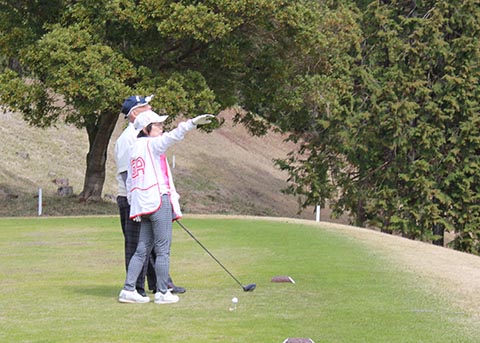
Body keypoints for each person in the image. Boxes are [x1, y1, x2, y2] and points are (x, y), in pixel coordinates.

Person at [118, 109, 213, 304]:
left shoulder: (134, 148)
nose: (162, 128)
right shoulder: (152, 145)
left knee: (142, 248)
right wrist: (192, 122)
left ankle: (128, 289)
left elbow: (130, 182)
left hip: (143, 205)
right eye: (158, 125)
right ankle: (162, 291)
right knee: (162, 249)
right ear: (146, 128)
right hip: (158, 200)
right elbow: (173, 136)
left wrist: (134, 204)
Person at [114, 95, 185, 299]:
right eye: (145, 106)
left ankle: (158, 285)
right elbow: (131, 175)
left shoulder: (143, 137)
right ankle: (137, 288)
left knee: (149, 246)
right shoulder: (129, 139)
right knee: (139, 246)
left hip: (147, 197)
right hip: (134, 198)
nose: (150, 108)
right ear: (135, 114)